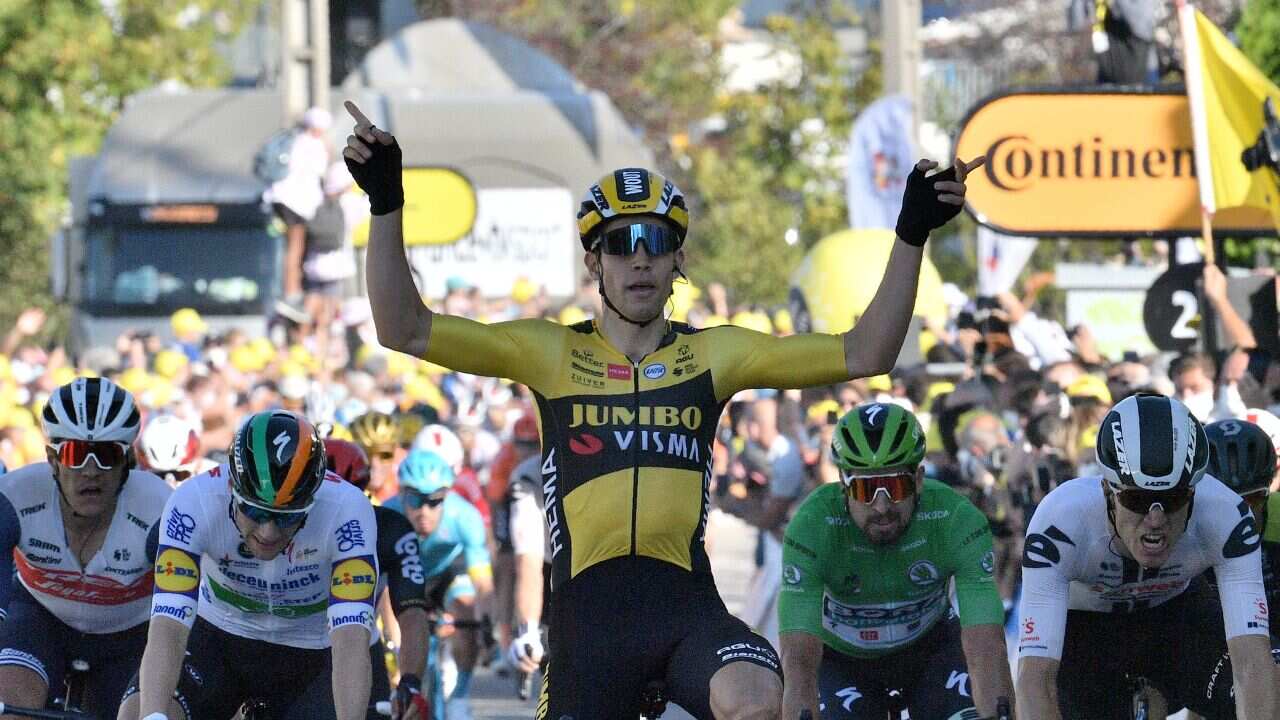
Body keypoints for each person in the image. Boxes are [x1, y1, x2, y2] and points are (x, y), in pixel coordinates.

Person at [342, 98, 983, 719]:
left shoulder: (713, 356)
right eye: (621, 244)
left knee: (760, 700)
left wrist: (910, 234)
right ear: (594, 261)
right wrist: (386, 203)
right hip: (587, 623)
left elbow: (867, 351)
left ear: (679, 257)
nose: (640, 257)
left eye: (657, 241)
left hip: (685, 608)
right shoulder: (549, 352)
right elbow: (402, 327)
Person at [1016, 394, 1277, 720]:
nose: (1156, 519)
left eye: (1173, 499)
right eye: (1138, 500)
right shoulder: (1061, 521)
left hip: (1177, 622)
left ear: (1195, 491)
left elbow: (1251, 662)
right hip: (1085, 634)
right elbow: (1034, 681)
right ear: (1108, 492)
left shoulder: (1227, 515)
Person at [119, 410, 379, 720]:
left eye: (287, 517)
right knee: (138, 714)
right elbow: (168, 627)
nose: (268, 531)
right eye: (255, 512)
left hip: (314, 651)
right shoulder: (193, 502)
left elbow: (351, 638)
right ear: (232, 489)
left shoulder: (347, 510)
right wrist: (154, 716)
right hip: (219, 637)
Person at [778, 403, 1012, 719]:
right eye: (866, 488)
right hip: (843, 660)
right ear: (843, 484)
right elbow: (798, 658)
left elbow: (986, 646)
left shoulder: (956, 518)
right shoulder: (813, 524)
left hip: (932, 649)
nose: (882, 506)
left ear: (917, 480)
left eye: (896, 486)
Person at [0, 378, 169, 720]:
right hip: (40, 622)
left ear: (127, 463)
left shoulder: (159, 509)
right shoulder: (15, 496)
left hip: (130, 638)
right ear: (52, 459)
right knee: (12, 710)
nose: (91, 471)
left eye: (106, 455)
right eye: (76, 454)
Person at [283, 438, 431, 720]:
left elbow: (412, 612)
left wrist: (410, 681)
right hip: (284, 643)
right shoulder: (279, 523)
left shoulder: (391, 529)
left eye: (351, 496)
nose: (339, 509)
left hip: (358, 647)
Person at [383, 450, 492, 720]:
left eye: (435, 501)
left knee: (468, 613)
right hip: (400, 578)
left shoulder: (464, 516)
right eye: (415, 500)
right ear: (400, 494)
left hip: (446, 576)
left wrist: (486, 620)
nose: (424, 511)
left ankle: (459, 698)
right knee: (392, 651)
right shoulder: (387, 514)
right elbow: (380, 585)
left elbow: (481, 579)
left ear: (447, 497)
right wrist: (395, 642)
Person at [1189, 419, 1280, 717]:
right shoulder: (1182, 527)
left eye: (1253, 500)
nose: (1242, 514)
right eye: (1227, 502)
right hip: (1213, 633)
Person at [265, 106, 333, 324]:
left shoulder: (294, 140)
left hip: (281, 199)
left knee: (289, 247)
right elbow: (322, 170)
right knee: (296, 247)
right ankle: (292, 294)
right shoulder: (313, 145)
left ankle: (291, 291)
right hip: (297, 203)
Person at [135, 413, 217, 487]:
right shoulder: (135, 482)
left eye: (180, 475)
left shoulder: (216, 476)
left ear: (197, 466)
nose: (170, 483)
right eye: (160, 476)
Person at [351, 411, 402, 502]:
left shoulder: (405, 496)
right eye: (365, 454)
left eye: (384, 455)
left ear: (396, 453)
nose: (374, 464)